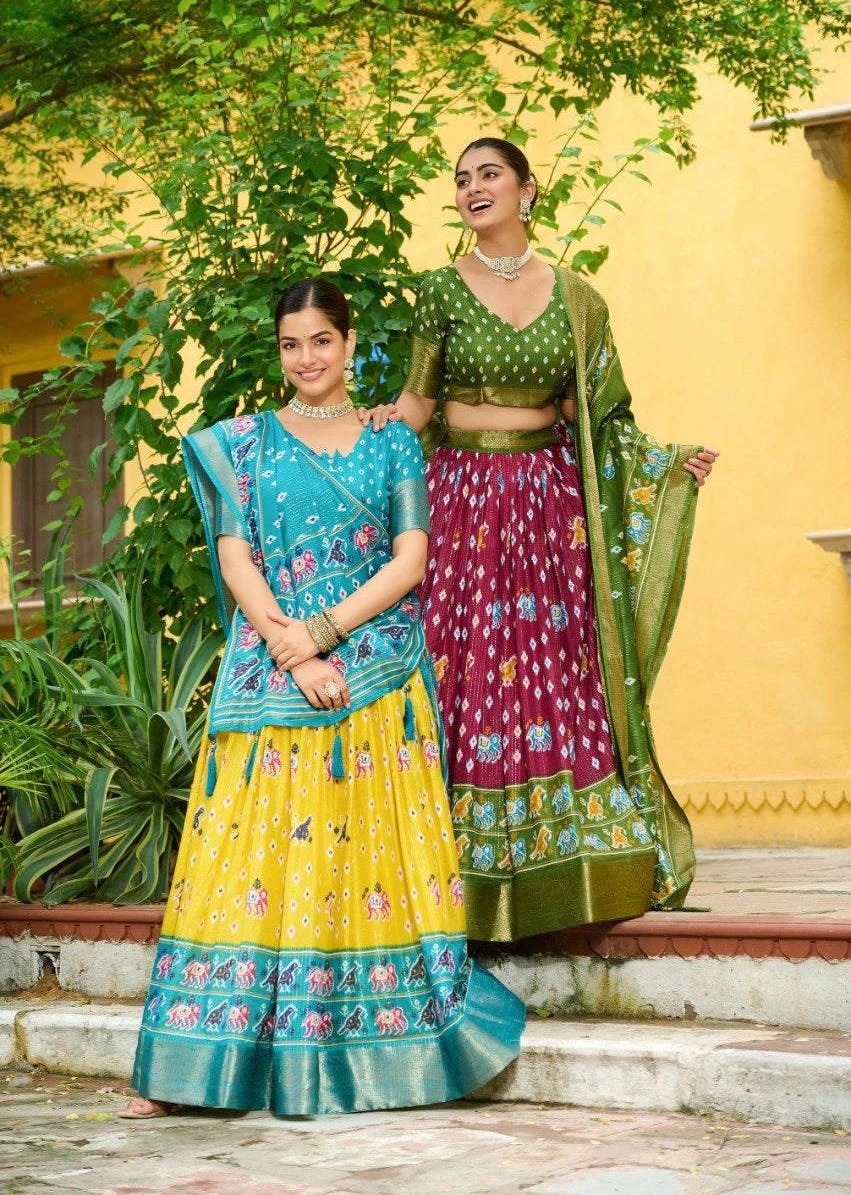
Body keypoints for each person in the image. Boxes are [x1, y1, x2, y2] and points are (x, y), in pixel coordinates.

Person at [120, 276, 524, 1119]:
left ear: (347, 344)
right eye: (290, 344)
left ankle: (381, 1048)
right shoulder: (246, 443)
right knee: (245, 864)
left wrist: (326, 632)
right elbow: (237, 560)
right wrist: (289, 645)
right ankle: (201, 1065)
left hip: (375, 668)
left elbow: (410, 560)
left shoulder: (390, 443)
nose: (305, 358)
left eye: (320, 341)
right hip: (276, 669)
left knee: (363, 859)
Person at [361, 137, 719, 942]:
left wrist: (665, 465)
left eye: (489, 175)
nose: (472, 188)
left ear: (526, 190)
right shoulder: (439, 291)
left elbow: (601, 418)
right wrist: (340, 437)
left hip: (547, 508)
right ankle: (445, 870)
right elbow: (414, 408)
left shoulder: (580, 300)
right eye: (460, 180)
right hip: (458, 504)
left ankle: (575, 867)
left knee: (557, 673)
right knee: (462, 665)